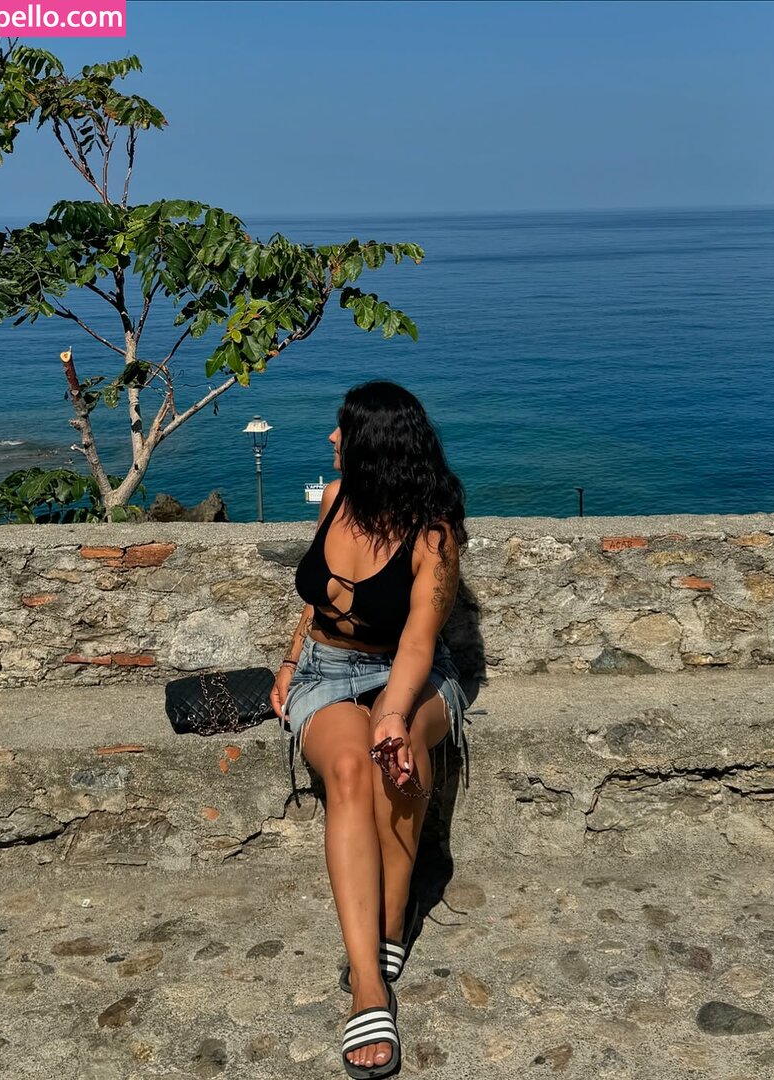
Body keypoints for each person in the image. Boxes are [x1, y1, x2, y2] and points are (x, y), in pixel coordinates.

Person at [269, 380, 468, 1080]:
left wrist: (391, 714)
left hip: (411, 672)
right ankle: (367, 986)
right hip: (326, 671)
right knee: (351, 769)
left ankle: (390, 921)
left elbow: (417, 640)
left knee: (397, 755)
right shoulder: (334, 499)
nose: (331, 439)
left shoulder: (433, 533)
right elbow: (316, 601)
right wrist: (290, 662)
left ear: (375, 444)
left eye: (342, 429)